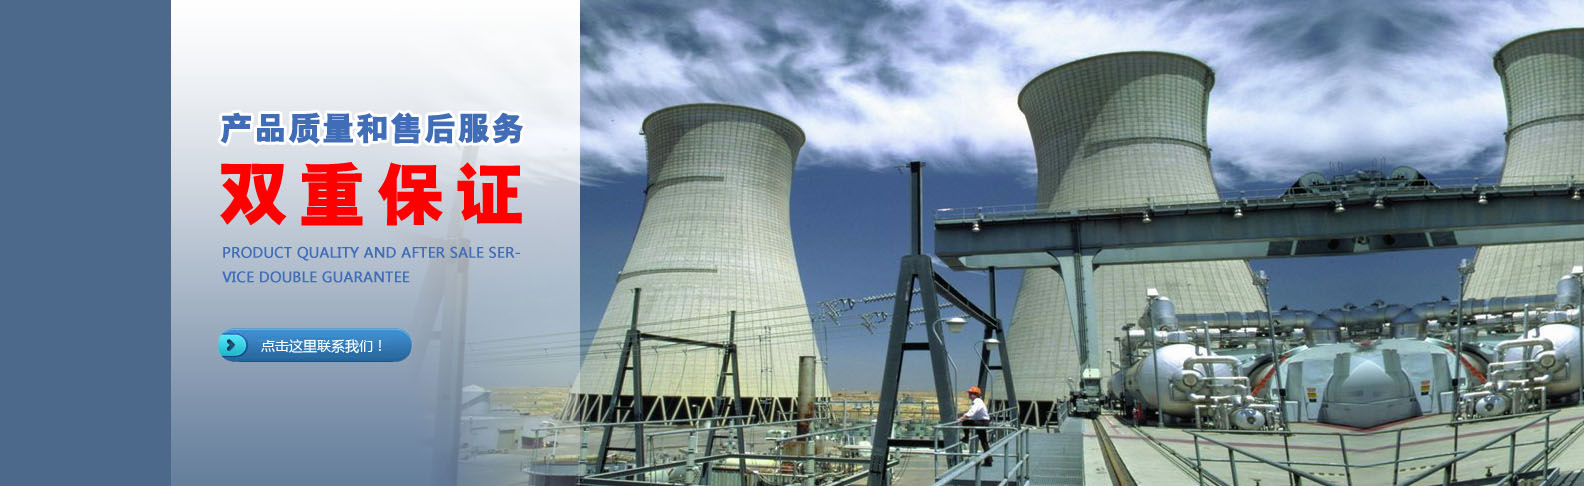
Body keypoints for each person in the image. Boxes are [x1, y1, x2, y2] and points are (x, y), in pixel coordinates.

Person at [955, 386, 992, 466]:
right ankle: (989, 460)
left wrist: (961, 418)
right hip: (983, 421)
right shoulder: (978, 402)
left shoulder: (977, 402)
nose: (970, 395)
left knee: (965, 422)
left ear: (976, 395)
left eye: (972, 394)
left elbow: (971, 412)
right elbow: (973, 413)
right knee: (984, 441)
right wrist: (964, 416)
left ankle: (966, 437)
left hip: (982, 422)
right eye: (970, 393)